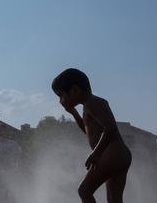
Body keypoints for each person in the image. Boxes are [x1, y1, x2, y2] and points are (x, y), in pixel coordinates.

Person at [52, 68, 131, 203]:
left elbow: (110, 128)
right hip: (119, 155)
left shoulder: (92, 103)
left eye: (61, 95)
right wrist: (74, 113)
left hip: (111, 153)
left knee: (84, 191)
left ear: (75, 90)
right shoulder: (89, 105)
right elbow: (89, 132)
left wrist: (96, 153)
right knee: (114, 199)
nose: (60, 101)